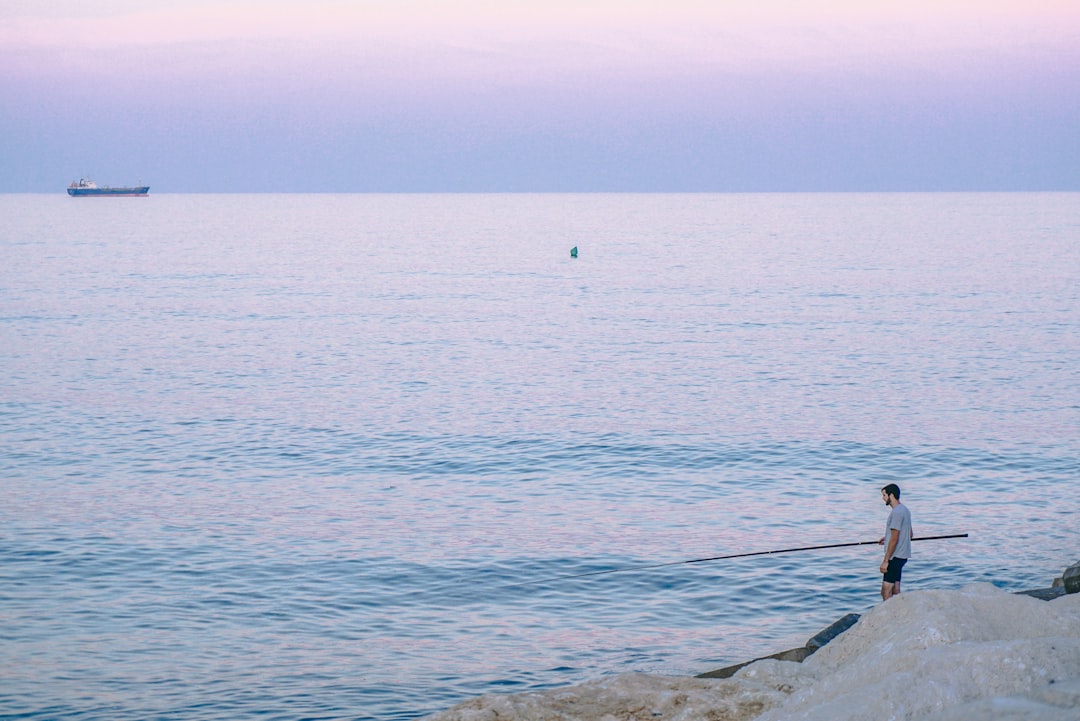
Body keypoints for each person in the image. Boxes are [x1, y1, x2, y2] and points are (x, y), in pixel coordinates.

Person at [877, 483, 912, 601]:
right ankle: (900, 613)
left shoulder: (896, 512)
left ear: (891, 495)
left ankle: (890, 618)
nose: (883, 498)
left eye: (884, 495)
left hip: (894, 557)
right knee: (896, 590)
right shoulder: (905, 510)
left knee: (886, 591)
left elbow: (895, 537)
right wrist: (887, 537)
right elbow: (909, 534)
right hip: (903, 556)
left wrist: (886, 561)